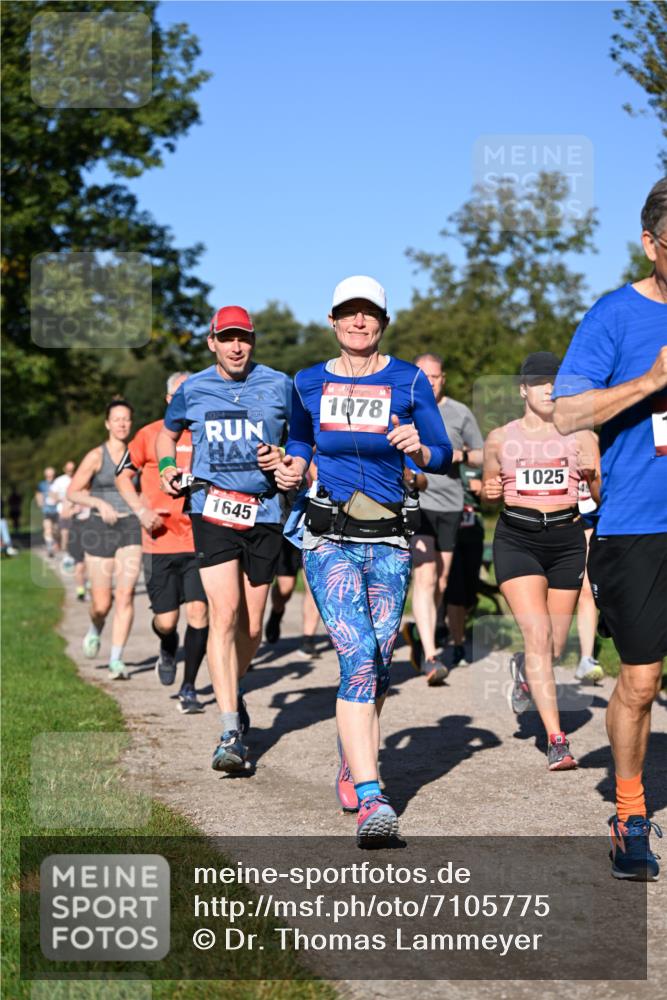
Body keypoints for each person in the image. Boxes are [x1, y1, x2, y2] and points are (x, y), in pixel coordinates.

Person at [274, 275, 452, 846]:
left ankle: (352, 757)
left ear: (382, 322)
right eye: (348, 313)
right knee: (355, 654)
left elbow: (444, 452)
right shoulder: (307, 382)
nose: (358, 322)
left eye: (368, 314)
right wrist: (293, 468)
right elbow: (300, 440)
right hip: (328, 535)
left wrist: (420, 448)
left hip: (390, 538)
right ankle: (374, 801)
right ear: (332, 321)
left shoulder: (409, 379)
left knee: (376, 658)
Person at [553, 177, 667, 881]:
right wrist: (650, 381)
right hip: (637, 526)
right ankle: (628, 810)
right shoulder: (614, 316)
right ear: (650, 242)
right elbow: (566, 413)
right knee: (641, 678)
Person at [156, 306, 291, 768]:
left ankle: (233, 685)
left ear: (253, 342)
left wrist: (288, 459)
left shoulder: (279, 385)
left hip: (266, 511)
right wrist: (169, 468)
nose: (236, 346)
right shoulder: (192, 389)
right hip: (211, 508)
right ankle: (230, 731)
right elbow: (165, 436)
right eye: (227, 338)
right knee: (224, 613)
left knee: (252, 626)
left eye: (244, 338)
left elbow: (304, 440)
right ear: (212, 342)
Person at [482, 351, 601, 771]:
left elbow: (601, 499)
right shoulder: (500, 437)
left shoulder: (584, 436)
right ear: (523, 389)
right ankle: (557, 739)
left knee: (553, 644)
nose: (549, 388)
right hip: (518, 538)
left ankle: (523, 671)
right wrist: (489, 492)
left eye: (556, 382)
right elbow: (487, 490)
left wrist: (592, 478)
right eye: (539, 382)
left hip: (568, 538)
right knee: (536, 636)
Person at [116, 373, 210, 714]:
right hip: (159, 541)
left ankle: (189, 687)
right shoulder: (149, 434)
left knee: (199, 611)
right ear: (170, 399)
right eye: (181, 394)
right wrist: (140, 510)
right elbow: (123, 476)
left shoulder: (206, 431)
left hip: (200, 537)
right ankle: (168, 646)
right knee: (167, 621)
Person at [402, 354, 484, 681]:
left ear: (443, 378)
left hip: (450, 504)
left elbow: (480, 453)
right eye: (424, 376)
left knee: (442, 581)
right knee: (424, 577)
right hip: (417, 502)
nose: (430, 382)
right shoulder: (404, 408)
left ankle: (422, 632)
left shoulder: (459, 412)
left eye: (435, 377)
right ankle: (432, 653)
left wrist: (459, 455)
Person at [67, 400, 142, 679]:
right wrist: (99, 503)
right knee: (102, 603)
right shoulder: (96, 456)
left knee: (125, 595)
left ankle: (116, 659)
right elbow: (73, 492)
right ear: (107, 424)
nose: (122, 424)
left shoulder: (137, 453)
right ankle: (96, 627)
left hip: (130, 527)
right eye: (117, 419)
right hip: (99, 529)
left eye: (126, 419)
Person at [443, 462, 485, 664]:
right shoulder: (443, 461)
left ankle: (443, 625)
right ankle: (458, 645)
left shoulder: (476, 464)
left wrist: (483, 489)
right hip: (450, 534)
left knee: (470, 593)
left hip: (474, 532)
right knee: (456, 592)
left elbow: (493, 497)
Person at [264, 539, 322, 659]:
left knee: (313, 587)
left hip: (314, 533)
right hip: (288, 533)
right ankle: (277, 611)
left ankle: (308, 640)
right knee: (285, 588)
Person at [574, 455, 603, 684]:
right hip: (560, 517)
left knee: (586, 590)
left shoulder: (602, 439)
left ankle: (586, 658)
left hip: (592, 517)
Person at [51, 461, 76, 563]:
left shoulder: (77, 478)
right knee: (64, 533)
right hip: (62, 510)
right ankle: (66, 554)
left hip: (76, 511)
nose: (70, 472)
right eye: (69, 470)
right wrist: (61, 500)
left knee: (73, 533)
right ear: (64, 469)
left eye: (72, 469)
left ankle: (74, 553)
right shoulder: (59, 480)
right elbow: (52, 494)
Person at [35, 466, 59, 557]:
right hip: (47, 510)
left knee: (56, 530)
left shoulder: (57, 483)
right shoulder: (42, 484)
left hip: (57, 510)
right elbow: (38, 494)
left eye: (52, 475)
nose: (50, 477)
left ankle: (55, 543)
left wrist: (55, 496)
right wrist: (40, 503)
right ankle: (49, 547)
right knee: (47, 529)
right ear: (46, 475)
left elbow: (60, 496)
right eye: (48, 475)